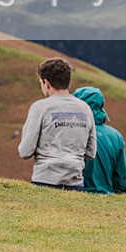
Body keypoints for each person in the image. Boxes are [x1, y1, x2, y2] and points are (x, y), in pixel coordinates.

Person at [18, 58, 97, 190]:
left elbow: (25, 151)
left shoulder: (39, 108)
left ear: (46, 83)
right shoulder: (85, 109)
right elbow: (91, 152)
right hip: (75, 184)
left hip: (44, 181)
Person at [73, 86, 126, 194]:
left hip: (77, 195)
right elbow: (121, 179)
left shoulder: (73, 132)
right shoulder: (116, 136)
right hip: (107, 197)